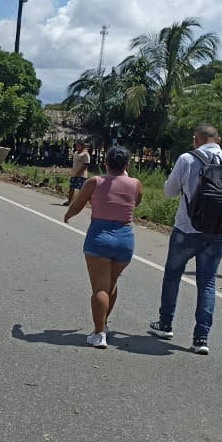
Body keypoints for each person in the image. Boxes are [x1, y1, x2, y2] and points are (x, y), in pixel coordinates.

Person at [149, 124, 222, 355]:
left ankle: (165, 324)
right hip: (219, 231)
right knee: (207, 283)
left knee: (172, 276)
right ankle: (201, 338)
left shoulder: (187, 159)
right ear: (218, 139)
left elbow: (169, 191)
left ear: (195, 140)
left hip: (186, 228)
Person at [64, 146, 142, 348]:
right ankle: (104, 324)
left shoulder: (95, 182)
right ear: (127, 165)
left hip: (100, 236)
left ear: (105, 162)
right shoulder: (135, 184)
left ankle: (99, 334)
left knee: (100, 288)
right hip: (125, 238)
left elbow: (78, 204)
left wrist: (68, 215)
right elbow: (136, 202)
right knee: (111, 284)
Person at [67, 141, 91, 205]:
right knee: (71, 187)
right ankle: (69, 201)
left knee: (81, 189)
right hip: (74, 173)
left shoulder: (85, 154)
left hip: (81, 175)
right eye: (76, 145)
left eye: (78, 145)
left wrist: (79, 172)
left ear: (82, 146)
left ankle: (81, 203)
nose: (77, 147)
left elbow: (86, 165)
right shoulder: (76, 153)